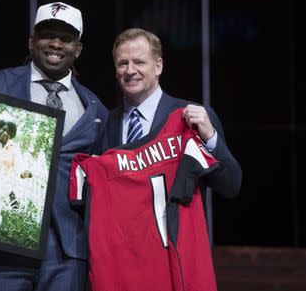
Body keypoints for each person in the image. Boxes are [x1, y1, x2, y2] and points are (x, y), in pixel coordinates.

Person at [0, 2, 108, 291]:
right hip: (2, 247)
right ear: (32, 41)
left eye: (65, 39)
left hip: (66, 252)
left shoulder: (96, 109)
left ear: (78, 48)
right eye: (47, 35)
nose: (55, 44)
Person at [97, 28, 241, 197]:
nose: (130, 70)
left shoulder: (190, 119)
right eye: (123, 63)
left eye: (139, 62)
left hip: (174, 224)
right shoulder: (106, 123)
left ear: (158, 66)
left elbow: (230, 185)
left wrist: (210, 138)